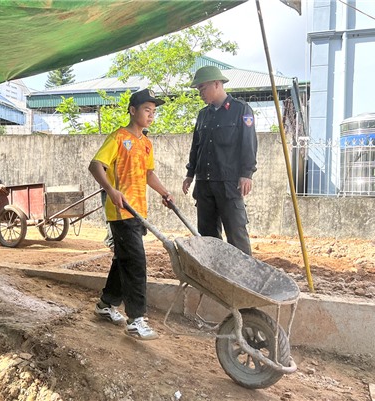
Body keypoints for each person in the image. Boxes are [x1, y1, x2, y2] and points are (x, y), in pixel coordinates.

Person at [89, 88, 174, 340]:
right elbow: (95, 165)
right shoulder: (118, 137)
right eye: (147, 110)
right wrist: (111, 190)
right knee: (136, 262)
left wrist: (164, 192)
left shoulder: (146, 143)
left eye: (154, 111)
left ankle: (106, 305)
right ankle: (136, 320)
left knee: (123, 259)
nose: (151, 115)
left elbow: (149, 174)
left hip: (138, 212)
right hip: (120, 211)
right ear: (133, 110)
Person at [182, 66, 258, 255]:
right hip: (204, 184)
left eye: (202, 88)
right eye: (198, 89)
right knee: (207, 236)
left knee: (236, 233)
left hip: (229, 183)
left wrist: (246, 174)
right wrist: (190, 174)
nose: (200, 93)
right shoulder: (202, 115)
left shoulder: (241, 110)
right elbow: (196, 147)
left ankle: (243, 279)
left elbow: (248, 144)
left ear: (217, 84)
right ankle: (213, 279)